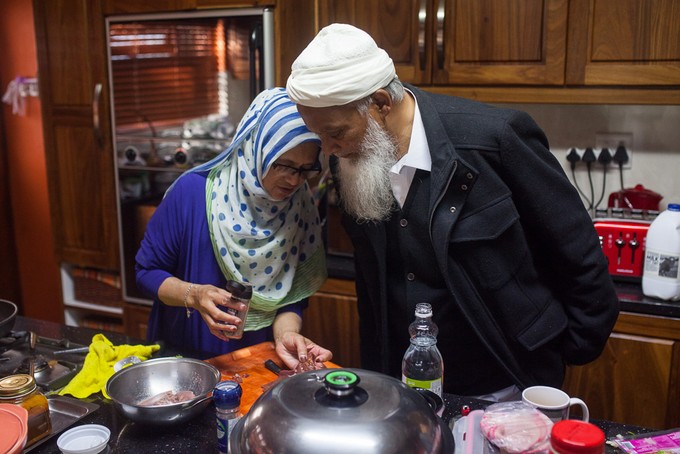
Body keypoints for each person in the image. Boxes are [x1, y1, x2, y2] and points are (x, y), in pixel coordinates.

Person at [286, 24, 619, 400]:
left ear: (380, 104)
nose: (328, 150)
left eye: (336, 133)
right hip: (404, 384)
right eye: (319, 136)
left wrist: (560, 356)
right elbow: (371, 280)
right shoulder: (349, 160)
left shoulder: (496, 140)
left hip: (505, 382)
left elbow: (579, 254)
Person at [135, 87, 332, 369]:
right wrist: (195, 295)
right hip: (187, 358)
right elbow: (147, 272)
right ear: (254, 149)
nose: (294, 180)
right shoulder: (193, 193)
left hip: (257, 360)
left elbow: (292, 297)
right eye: (283, 164)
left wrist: (287, 334)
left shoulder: (299, 207)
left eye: (305, 169)